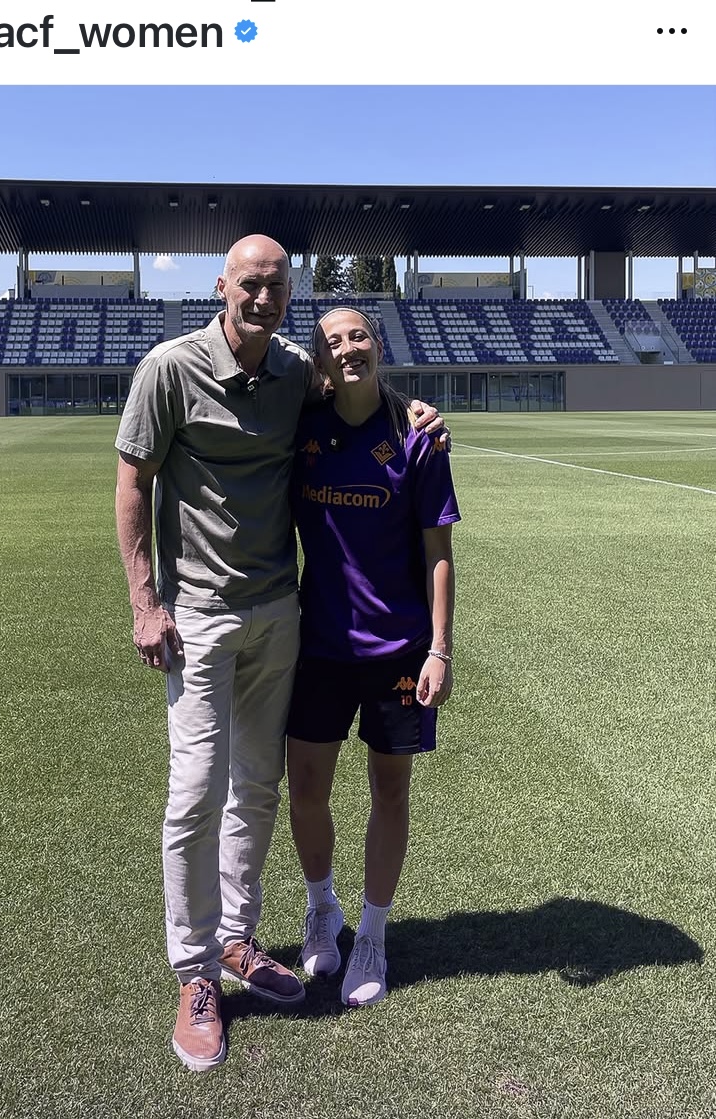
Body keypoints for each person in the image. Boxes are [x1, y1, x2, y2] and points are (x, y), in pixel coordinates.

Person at [114, 236, 448, 1072]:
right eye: (249, 283)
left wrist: (416, 410)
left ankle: (237, 937)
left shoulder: (298, 369)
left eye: (276, 286)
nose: (261, 297)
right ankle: (194, 971)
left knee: (257, 789)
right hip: (198, 617)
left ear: (289, 296)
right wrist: (145, 601)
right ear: (221, 285)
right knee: (196, 790)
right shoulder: (169, 368)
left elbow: (358, 386)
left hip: (279, 613)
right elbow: (132, 484)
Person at [285, 306, 460, 1009]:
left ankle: (374, 936)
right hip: (318, 643)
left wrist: (440, 648)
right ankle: (322, 908)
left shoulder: (418, 437)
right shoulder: (302, 429)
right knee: (306, 789)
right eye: (333, 341)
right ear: (321, 363)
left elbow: (439, 552)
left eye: (359, 335)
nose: (348, 347)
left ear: (378, 345)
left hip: (400, 649)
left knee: (391, 790)